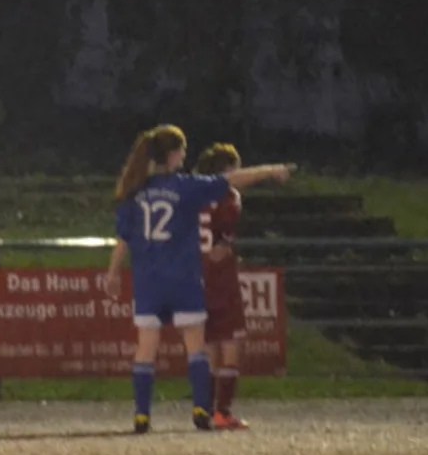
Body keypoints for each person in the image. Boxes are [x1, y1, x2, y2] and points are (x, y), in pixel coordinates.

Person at [99, 125, 291, 434]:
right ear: (174, 156)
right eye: (183, 152)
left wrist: (112, 273)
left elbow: (124, 239)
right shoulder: (186, 187)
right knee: (196, 346)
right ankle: (202, 408)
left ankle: (142, 415)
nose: (185, 157)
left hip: (149, 280)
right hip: (184, 278)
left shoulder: (135, 191)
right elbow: (232, 180)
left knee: (146, 348)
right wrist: (270, 170)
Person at [194, 142, 260, 430]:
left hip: (195, 278)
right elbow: (221, 246)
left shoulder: (192, 194)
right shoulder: (229, 196)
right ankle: (223, 411)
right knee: (230, 343)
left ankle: (203, 409)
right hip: (220, 279)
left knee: (206, 345)